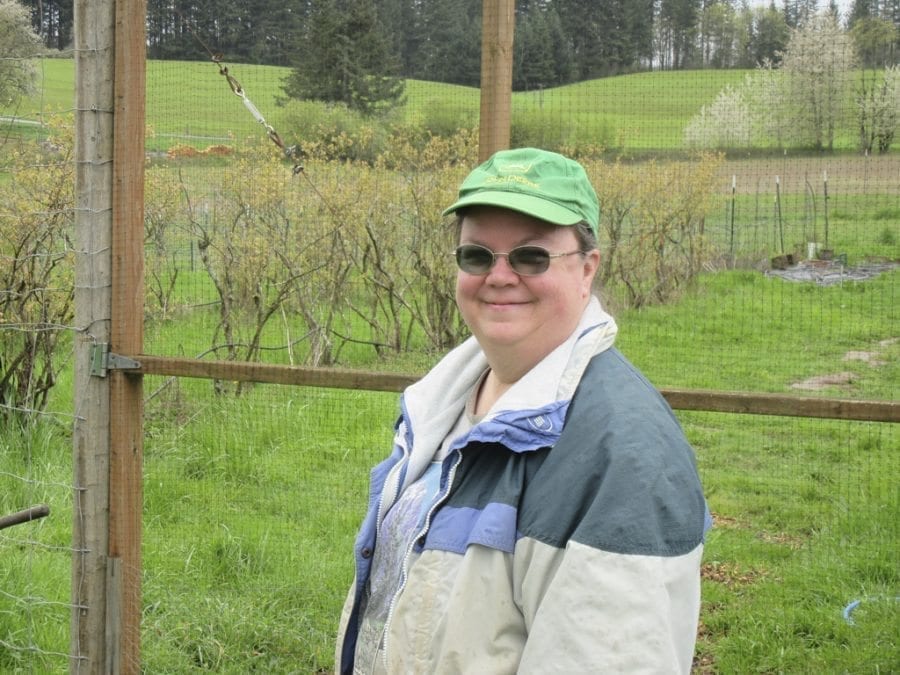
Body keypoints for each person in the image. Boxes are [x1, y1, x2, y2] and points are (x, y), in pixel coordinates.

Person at [335, 147, 710, 674]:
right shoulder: (443, 404)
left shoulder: (624, 458)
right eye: (477, 255)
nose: (499, 275)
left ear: (587, 269)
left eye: (531, 256)